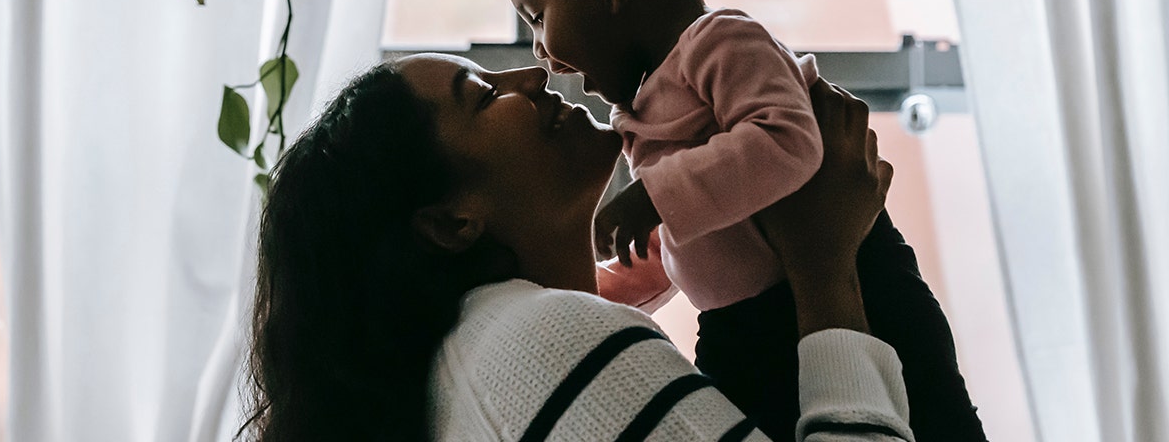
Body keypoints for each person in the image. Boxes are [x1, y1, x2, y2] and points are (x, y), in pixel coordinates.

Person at [502, 0, 986, 442]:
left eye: (537, 17)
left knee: (931, 421)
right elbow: (709, 220)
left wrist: (654, 195)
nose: (540, 54)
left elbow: (788, 143)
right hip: (741, 326)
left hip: (864, 287)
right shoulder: (650, 102)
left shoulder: (721, 42)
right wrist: (614, 287)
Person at [240, 52, 912, 441]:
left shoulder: (462, 367)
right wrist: (827, 269)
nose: (531, 74)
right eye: (483, 95)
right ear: (451, 223)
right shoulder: (544, 340)